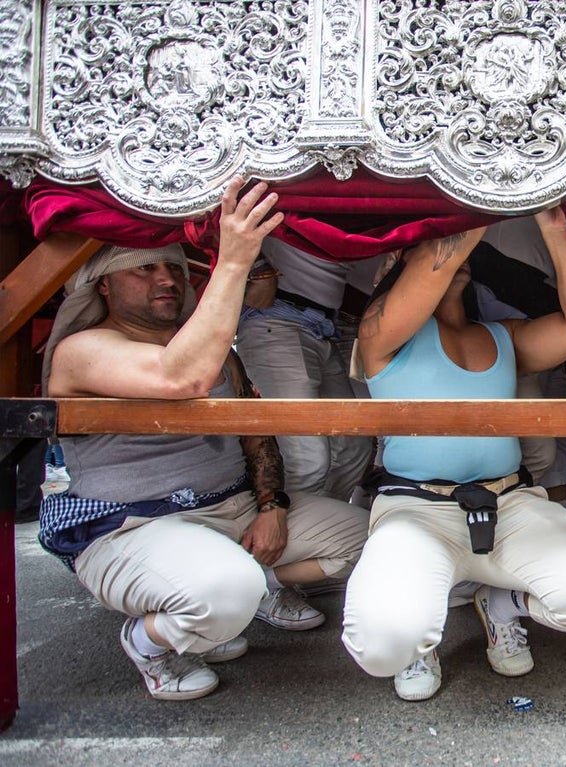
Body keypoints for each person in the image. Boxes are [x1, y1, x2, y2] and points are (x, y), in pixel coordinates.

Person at [37, 178, 367, 701]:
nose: (164, 278)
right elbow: (179, 379)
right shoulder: (82, 348)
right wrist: (235, 260)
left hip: (230, 510)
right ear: (103, 285)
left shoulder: (210, 351)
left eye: (171, 267)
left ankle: (242, 594)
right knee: (225, 591)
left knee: (372, 539)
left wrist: (272, 506)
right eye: (143, 268)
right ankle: (151, 641)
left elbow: (255, 436)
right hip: (134, 526)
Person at [341, 210, 566, 702]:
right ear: (401, 261)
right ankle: (419, 640)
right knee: (382, 643)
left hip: (511, 506)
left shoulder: (504, 336)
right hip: (417, 510)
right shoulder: (378, 336)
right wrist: (487, 194)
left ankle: (502, 604)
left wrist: (555, 229)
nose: (450, 251)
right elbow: (436, 260)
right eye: (430, 243)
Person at [236, 238, 374, 502]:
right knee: (306, 458)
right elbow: (215, 216)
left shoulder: (353, 222)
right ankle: (284, 531)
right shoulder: (292, 203)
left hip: (321, 329)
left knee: (354, 447)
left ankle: (322, 522)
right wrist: (257, 267)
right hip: (276, 321)